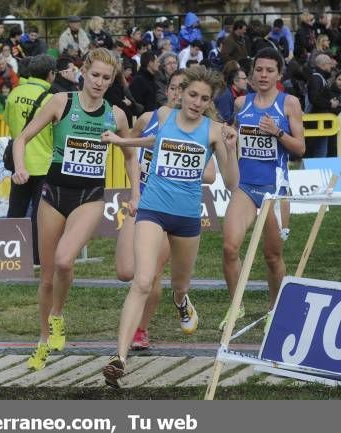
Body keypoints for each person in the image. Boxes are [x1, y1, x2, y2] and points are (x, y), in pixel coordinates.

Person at [101, 65, 239, 388]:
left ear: (209, 101)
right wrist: (122, 140)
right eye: (192, 94)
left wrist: (231, 148)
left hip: (187, 218)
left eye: (204, 98)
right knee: (142, 280)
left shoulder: (214, 130)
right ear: (180, 92)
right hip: (152, 210)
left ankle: (181, 301)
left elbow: (231, 183)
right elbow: (156, 140)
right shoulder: (163, 114)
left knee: (180, 282)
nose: (197, 102)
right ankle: (119, 358)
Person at [10, 48, 140, 371]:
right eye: (94, 75)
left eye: (106, 78)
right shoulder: (60, 103)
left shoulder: (116, 116)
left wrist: (136, 192)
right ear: (83, 71)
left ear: (113, 81)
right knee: (47, 275)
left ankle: (57, 315)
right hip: (53, 193)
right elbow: (21, 138)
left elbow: (130, 156)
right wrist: (20, 168)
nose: (98, 82)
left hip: (91, 197)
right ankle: (43, 339)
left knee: (65, 260)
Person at [116, 69, 216, 351]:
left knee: (150, 274)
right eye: (174, 88)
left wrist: (181, 163)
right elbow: (131, 152)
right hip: (142, 201)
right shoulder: (151, 119)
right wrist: (134, 191)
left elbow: (210, 174)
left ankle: (140, 330)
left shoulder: (201, 130)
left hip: (171, 204)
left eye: (183, 90)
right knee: (126, 271)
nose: (177, 94)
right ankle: (177, 299)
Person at [220, 48, 305, 332]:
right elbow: (232, 132)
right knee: (230, 247)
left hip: (275, 189)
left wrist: (278, 133)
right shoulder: (241, 103)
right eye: (259, 70)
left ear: (279, 74)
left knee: (272, 256)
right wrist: (229, 135)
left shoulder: (289, 103)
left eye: (270, 70)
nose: (264, 75)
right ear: (252, 73)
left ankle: (274, 309)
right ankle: (236, 306)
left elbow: (300, 149)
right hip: (245, 186)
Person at [5, 55, 56, 266]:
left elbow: (8, 122)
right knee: (39, 214)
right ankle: (36, 257)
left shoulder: (14, 93)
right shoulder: (51, 99)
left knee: (16, 210)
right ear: (50, 74)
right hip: (43, 162)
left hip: (20, 162)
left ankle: (11, 253)